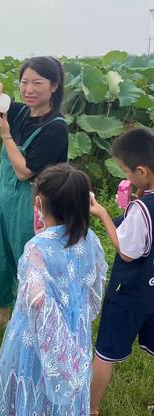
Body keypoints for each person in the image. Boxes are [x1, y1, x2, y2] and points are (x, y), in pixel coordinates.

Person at [0, 163, 107, 416]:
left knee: (34, 382)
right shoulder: (90, 239)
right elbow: (95, 285)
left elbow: (36, 300)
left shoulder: (38, 248)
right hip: (75, 332)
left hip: (35, 337)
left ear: (39, 202)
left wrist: (53, 338)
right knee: (66, 393)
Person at [0, 56, 69, 326]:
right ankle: (2, 316)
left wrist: (6, 135)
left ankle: (33, 321)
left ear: (54, 86)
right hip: (2, 198)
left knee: (29, 259)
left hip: (32, 204)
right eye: (24, 82)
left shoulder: (56, 128)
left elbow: (25, 171)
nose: (29, 89)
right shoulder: (20, 111)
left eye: (38, 83)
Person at [89, 128, 154, 416]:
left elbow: (127, 251)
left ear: (142, 171)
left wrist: (104, 214)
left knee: (105, 353)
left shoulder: (142, 209)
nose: (126, 177)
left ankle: (90, 409)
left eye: (127, 172)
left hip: (129, 293)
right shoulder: (143, 201)